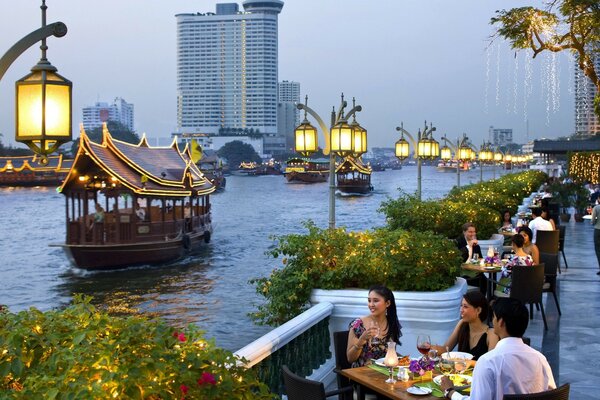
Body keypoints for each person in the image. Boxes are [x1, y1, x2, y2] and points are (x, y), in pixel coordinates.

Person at [440, 298, 556, 400]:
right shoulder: (540, 359)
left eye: (494, 317)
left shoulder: (488, 362)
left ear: (501, 322)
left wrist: (450, 392)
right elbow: (553, 394)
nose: (492, 321)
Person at [347, 285, 402, 368]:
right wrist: (362, 339)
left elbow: (390, 354)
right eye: (369, 301)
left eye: (375, 301)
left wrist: (406, 360)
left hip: (385, 373)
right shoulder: (358, 324)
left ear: (387, 303)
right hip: (361, 374)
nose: (371, 305)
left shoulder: (391, 323)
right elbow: (350, 359)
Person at [434, 291, 498, 361]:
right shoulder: (462, 324)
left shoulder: (491, 334)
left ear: (478, 310)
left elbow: (491, 364)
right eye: (461, 306)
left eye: (465, 307)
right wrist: (431, 348)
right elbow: (445, 350)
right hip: (458, 371)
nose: (461, 310)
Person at [592, 202, 600, 275]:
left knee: (598, 249)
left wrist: (593, 223)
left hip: (598, 230)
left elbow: (593, 220)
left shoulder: (596, 208)